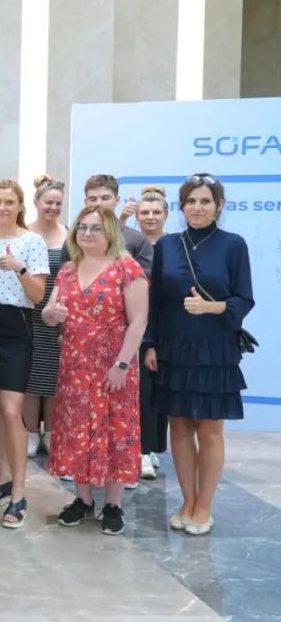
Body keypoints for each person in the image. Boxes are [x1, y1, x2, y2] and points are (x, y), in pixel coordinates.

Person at [145, 173, 254, 536]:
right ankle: (187, 501)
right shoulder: (167, 245)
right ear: (182, 206)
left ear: (219, 205)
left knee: (209, 429)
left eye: (205, 201)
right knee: (178, 427)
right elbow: (156, 300)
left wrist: (213, 307)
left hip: (214, 349)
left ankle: (204, 506)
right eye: (191, 201)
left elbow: (244, 298)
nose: (197, 207)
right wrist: (151, 344)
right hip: (174, 347)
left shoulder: (233, 245)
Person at [45, 206, 148, 536]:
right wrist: (52, 313)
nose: (87, 233)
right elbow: (49, 313)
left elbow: (139, 321)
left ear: (111, 233)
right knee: (77, 428)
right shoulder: (67, 269)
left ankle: (113, 504)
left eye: (95, 228)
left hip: (113, 364)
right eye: (82, 227)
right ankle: (83, 499)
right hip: (75, 364)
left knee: (115, 429)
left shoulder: (126, 268)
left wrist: (122, 364)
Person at [0, 179, 48, 528]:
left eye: (8, 202)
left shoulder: (33, 242)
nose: (2, 207)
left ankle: (19, 492)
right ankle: (2, 478)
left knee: (11, 409)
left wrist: (19, 268)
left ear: (19, 206)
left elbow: (38, 295)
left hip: (16, 328)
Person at [23, 175, 67, 457]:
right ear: (36, 202)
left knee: (54, 378)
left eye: (58, 203)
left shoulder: (70, 236)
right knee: (29, 377)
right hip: (28, 314)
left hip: (60, 315)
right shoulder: (24, 234)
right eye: (48, 202)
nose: (53, 208)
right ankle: (29, 432)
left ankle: (51, 433)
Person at [131, 186, 170, 479]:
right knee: (142, 391)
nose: (151, 217)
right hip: (140, 328)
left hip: (169, 327)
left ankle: (155, 445)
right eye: (145, 212)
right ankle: (141, 449)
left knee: (162, 389)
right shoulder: (130, 244)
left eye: (157, 212)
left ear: (166, 214)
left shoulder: (174, 245)